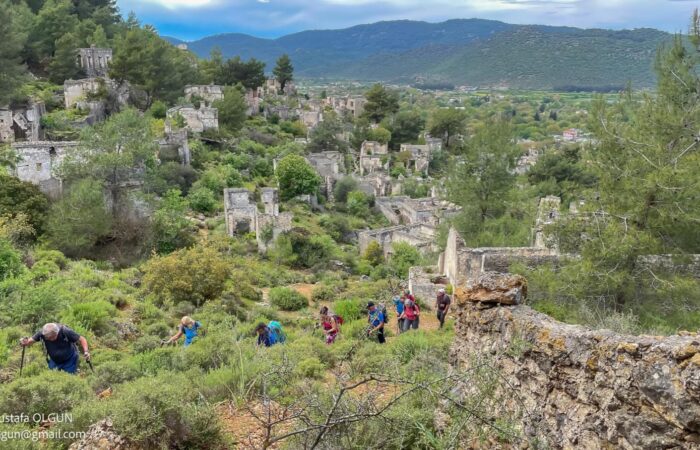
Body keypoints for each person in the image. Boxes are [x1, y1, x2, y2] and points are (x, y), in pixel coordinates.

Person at [20, 323, 90, 374]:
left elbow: (82, 339)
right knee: (54, 379)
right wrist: (24, 342)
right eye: (48, 338)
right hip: (54, 361)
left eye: (52, 337)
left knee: (68, 379)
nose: (50, 339)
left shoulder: (65, 331)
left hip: (70, 360)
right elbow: (30, 341)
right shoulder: (43, 333)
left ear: (57, 333)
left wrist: (86, 352)